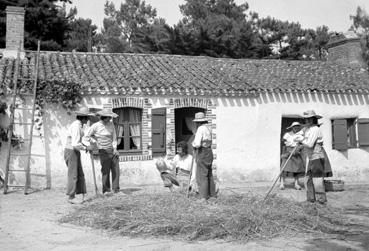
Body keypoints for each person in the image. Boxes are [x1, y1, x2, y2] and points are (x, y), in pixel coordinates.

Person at [295, 110, 333, 204]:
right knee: (307, 178)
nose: (307, 121)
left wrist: (301, 140)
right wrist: (300, 137)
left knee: (317, 179)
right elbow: (297, 136)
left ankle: (321, 200)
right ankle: (310, 199)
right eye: (306, 119)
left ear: (313, 119)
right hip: (309, 157)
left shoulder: (315, 129)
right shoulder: (306, 129)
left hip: (316, 156)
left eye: (310, 119)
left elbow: (309, 144)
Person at [85, 108, 120, 194]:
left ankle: (115, 189)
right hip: (103, 151)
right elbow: (86, 136)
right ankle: (106, 190)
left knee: (116, 170)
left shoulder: (111, 125)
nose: (110, 119)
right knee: (105, 171)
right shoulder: (95, 126)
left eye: (110, 117)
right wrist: (93, 142)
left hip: (112, 150)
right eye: (109, 117)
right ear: (104, 117)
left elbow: (114, 137)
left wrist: (115, 148)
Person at [64, 106, 92, 204]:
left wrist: (86, 145)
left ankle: (79, 193)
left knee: (79, 173)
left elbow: (82, 140)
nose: (88, 119)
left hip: (75, 151)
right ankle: (71, 197)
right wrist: (85, 148)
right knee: (73, 174)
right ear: (83, 117)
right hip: (71, 151)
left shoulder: (80, 125)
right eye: (87, 117)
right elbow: (75, 144)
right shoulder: (76, 126)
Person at [192, 112, 216, 200]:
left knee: (201, 175)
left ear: (198, 122)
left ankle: (203, 197)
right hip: (209, 151)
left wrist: (193, 144)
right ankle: (212, 195)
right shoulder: (209, 128)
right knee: (209, 174)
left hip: (202, 152)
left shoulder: (200, 129)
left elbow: (197, 144)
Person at [280, 122, 305, 190]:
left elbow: (303, 144)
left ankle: (296, 184)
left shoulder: (301, 135)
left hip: (296, 151)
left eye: (297, 126)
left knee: (297, 168)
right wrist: (286, 150)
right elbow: (283, 142)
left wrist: (299, 147)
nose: (296, 128)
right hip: (288, 151)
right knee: (284, 167)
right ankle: (282, 183)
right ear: (292, 127)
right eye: (295, 126)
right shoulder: (287, 134)